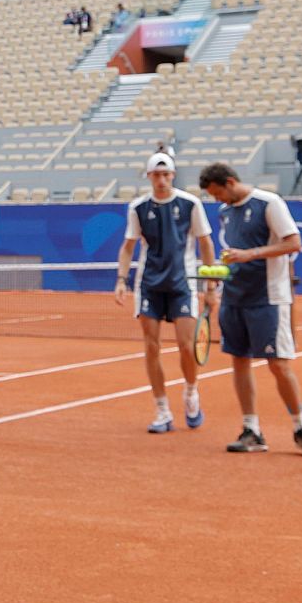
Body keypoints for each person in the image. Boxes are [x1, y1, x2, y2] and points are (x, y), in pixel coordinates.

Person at [198, 162, 302, 458]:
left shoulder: (270, 203)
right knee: (239, 361)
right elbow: (234, 254)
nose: (216, 201)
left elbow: (293, 243)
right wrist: (216, 278)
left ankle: (300, 429)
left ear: (230, 182)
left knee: (279, 365)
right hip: (234, 298)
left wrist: (250, 254)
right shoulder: (225, 212)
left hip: (268, 298)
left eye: (218, 193)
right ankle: (251, 429)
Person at [115, 153, 217, 433]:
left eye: (165, 175)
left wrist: (210, 285)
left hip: (182, 284)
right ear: (149, 176)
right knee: (151, 347)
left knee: (187, 346)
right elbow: (128, 247)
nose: (161, 180)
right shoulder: (138, 207)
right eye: (155, 175)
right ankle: (162, 410)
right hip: (148, 284)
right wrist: (121, 280)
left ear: (172, 175)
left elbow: (206, 244)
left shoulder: (190, 204)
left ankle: (191, 392)